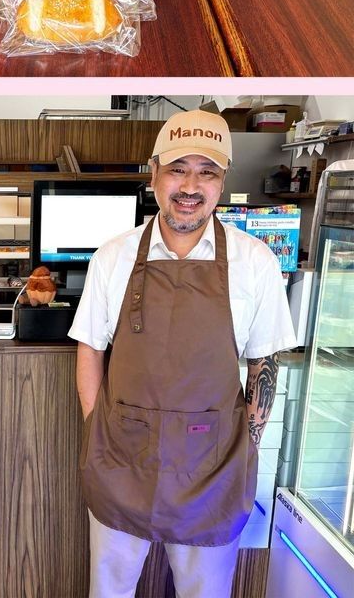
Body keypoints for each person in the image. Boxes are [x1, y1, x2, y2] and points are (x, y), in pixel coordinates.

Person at [69, 110, 297, 598]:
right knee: (108, 589)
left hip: (211, 467)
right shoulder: (112, 257)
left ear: (221, 181)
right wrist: (96, 433)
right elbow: (90, 349)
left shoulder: (255, 262)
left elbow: (264, 363)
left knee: (204, 592)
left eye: (207, 172)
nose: (191, 186)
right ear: (154, 173)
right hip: (122, 461)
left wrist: (247, 447)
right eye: (178, 169)